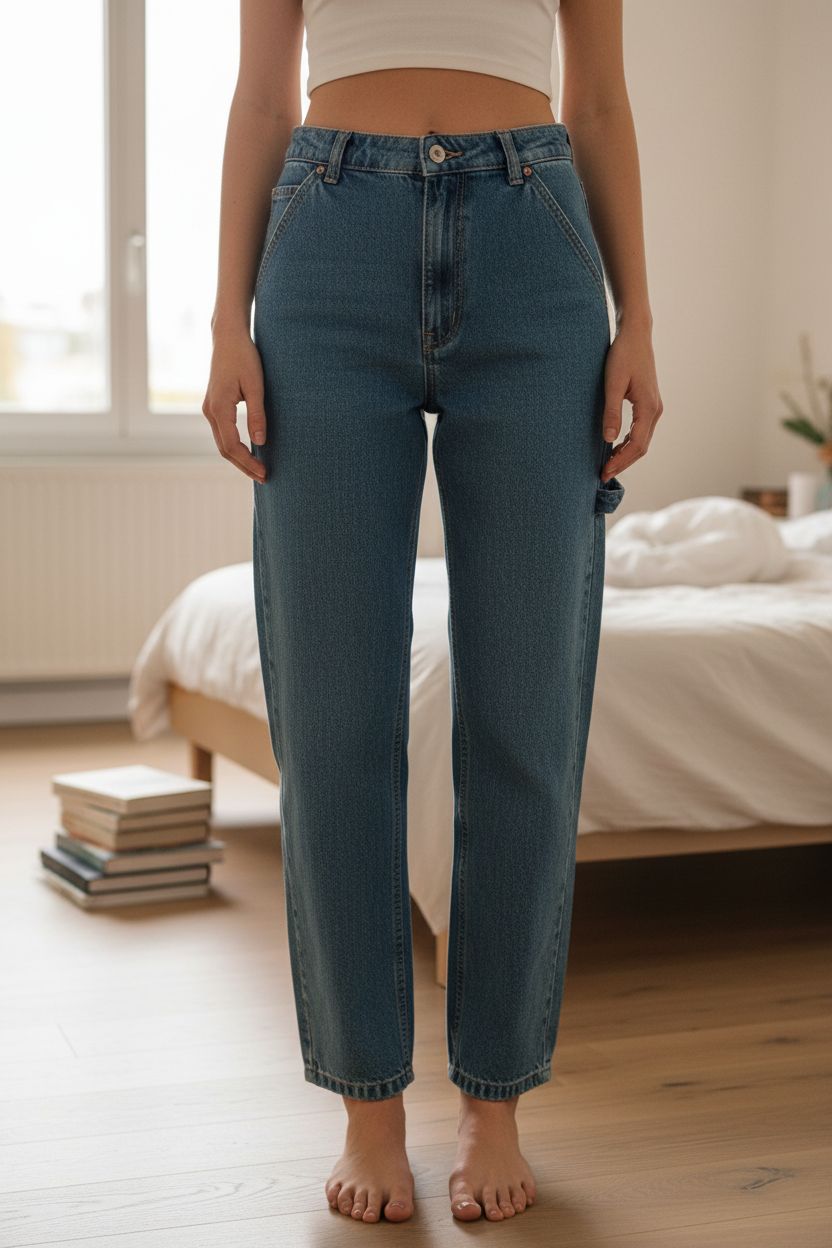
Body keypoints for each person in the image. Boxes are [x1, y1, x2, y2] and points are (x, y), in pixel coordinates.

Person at [203, 0, 662, 1226]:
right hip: (328, 234)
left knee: (523, 713)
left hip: (536, 242)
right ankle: (368, 1101)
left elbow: (601, 97)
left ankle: (494, 1095)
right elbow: (261, 92)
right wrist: (223, 321)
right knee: (336, 714)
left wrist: (640, 321)